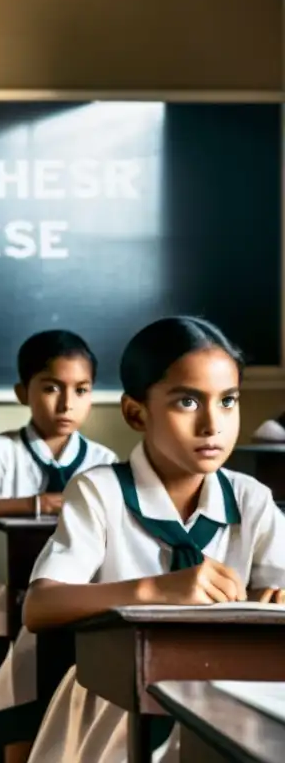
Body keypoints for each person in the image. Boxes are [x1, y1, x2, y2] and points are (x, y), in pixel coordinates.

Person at [24, 316, 285, 763]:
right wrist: (156, 591)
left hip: (231, 696)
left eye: (227, 401)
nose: (212, 425)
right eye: (187, 402)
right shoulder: (100, 492)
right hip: (120, 703)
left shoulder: (252, 499)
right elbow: (40, 606)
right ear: (135, 413)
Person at [0, 330, 117, 761]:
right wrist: (39, 503)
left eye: (81, 390)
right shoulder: (3, 450)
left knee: (80, 647)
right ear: (24, 393)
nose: (66, 403)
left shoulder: (104, 461)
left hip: (72, 590)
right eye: (51, 388)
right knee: (3, 648)